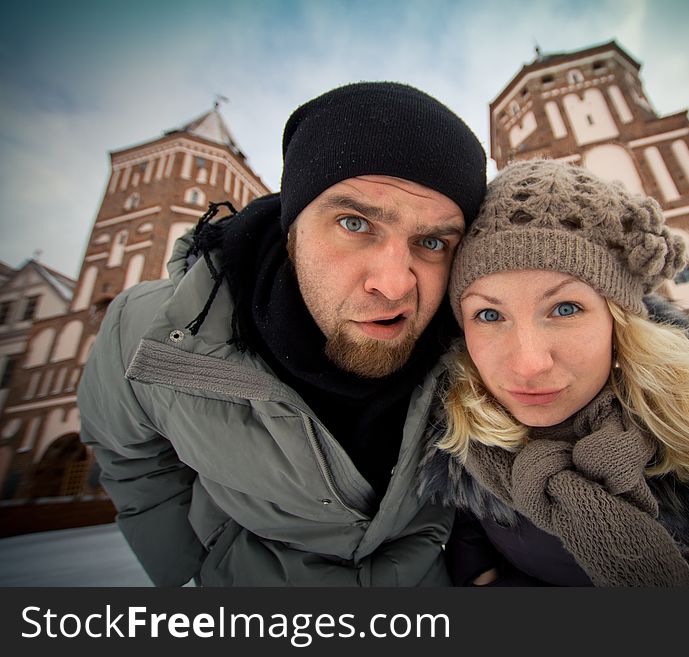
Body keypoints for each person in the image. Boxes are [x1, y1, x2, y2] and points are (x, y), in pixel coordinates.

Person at [78, 82, 487, 586]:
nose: (394, 282)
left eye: (431, 241)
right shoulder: (152, 332)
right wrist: (187, 571)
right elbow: (128, 456)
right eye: (354, 223)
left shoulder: (478, 347)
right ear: (292, 224)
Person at [419, 158, 689, 586]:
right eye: (489, 314)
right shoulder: (457, 433)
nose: (528, 364)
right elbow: (467, 516)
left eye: (565, 309)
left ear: (619, 322)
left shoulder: (682, 440)